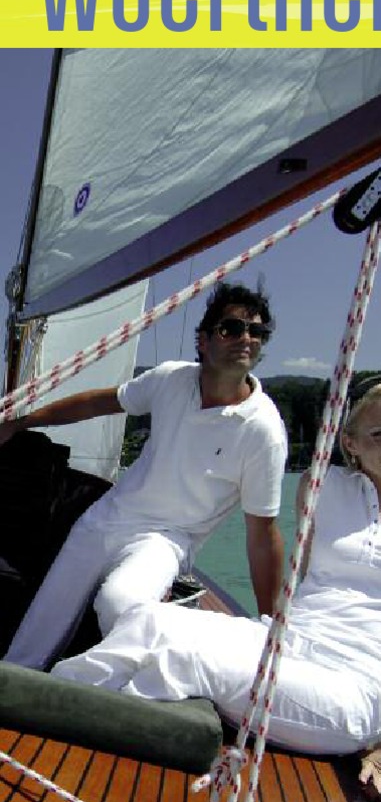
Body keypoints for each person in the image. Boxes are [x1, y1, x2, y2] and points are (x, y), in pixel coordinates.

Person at [51, 376, 381, 792]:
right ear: (351, 444)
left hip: (354, 687)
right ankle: (50, 706)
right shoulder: (323, 486)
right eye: (380, 434)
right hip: (285, 644)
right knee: (148, 620)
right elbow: (307, 580)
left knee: (187, 660)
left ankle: (60, 737)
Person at [3, 282, 287, 670]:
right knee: (37, 631)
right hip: (109, 517)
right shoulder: (171, 380)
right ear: (203, 341)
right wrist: (21, 422)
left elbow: (262, 535)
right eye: (232, 328)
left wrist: (271, 626)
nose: (246, 339)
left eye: (257, 332)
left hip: (168, 539)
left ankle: (101, 684)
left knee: (119, 603)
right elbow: (99, 402)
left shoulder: (263, 430)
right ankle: (17, 680)